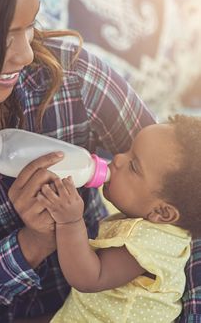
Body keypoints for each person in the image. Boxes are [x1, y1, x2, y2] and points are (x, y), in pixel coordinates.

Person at [0, 0, 154, 322]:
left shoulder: (72, 77)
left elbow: (184, 190)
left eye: (30, 24)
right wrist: (30, 246)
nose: (25, 54)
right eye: (4, 36)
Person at [40, 114, 201, 323]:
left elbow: (88, 278)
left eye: (133, 166)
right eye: (128, 150)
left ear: (162, 212)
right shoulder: (164, 232)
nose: (117, 159)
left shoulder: (150, 243)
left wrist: (70, 222)